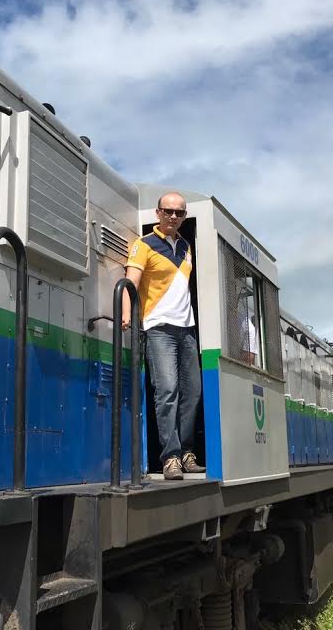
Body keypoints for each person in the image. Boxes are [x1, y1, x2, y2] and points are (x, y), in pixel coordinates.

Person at [123, 192, 204, 480]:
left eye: (179, 213)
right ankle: (170, 458)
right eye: (168, 211)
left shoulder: (185, 245)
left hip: (187, 330)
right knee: (167, 391)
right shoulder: (143, 245)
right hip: (158, 328)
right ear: (158, 213)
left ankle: (186, 453)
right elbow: (130, 283)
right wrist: (126, 314)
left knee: (192, 393)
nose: (173, 216)